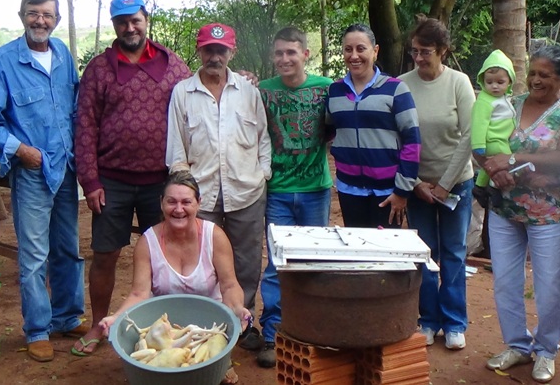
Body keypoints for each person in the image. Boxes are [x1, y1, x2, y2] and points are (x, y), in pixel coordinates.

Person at [0, 0, 87, 362]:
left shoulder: (64, 55)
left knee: (68, 248)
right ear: (22, 16)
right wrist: (21, 151)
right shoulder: (3, 62)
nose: (41, 21)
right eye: (34, 14)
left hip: (65, 170)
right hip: (33, 171)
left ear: (57, 20)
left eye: (48, 15)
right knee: (35, 256)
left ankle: (67, 317)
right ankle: (38, 329)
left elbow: (76, 108)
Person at [73, 0, 192, 356]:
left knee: (168, 254)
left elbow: (196, 98)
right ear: (114, 26)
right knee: (106, 254)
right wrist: (90, 181)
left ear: (146, 19)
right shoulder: (99, 68)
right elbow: (85, 126)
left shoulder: (173, 65)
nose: (130, 27)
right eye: (122, 21)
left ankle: (164, 326)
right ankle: (99, 324)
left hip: (161, 181)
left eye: (135, 20)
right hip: (112, 181)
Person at [480, 45, 560, 383]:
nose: (536, 80)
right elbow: (486, 141)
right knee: (506, 282)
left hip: (550, 213)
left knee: (550, 285)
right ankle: (517, 344)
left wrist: (512, 160)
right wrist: (493, 170)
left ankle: (546, 350)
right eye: (533, 73)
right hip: (504, 207)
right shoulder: (510, 103)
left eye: (545, 75)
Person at [166, 22, 271, 352]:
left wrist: (263, 173)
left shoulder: (249, 92)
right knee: (204, 262)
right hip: (203, 193)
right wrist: (186, 190)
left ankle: (244, 323)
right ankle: (206, 325)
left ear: (231, 52)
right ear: (199, 51)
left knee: (247, 261)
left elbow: (262, 139)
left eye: (221, 50)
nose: (215, 56)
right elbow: (176, 148)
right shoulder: (183, 93)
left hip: (247, 191)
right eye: (209, 50)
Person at [97, 167, 250, 385]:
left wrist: (237, 309)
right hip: (164, 329)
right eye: (172, 202)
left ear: (198, 202)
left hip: (210, 328)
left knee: (211, 373)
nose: (179, 209)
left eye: (186, 202)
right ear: (161, 203)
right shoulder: (147, 242)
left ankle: (220, 363)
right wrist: (116, 317)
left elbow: (229, 285)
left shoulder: (214, 236)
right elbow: (139, 293)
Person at [256, 27, 333, 368]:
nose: (285, 59)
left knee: (315, 261)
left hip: (316, 188)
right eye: (279, 53)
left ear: (305, 54)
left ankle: (314, 328)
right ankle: (273, 333)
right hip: (278, 191)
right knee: (276, 263)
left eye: (291, 52)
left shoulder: (326, 89)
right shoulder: (262, 91)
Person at [398, 16, 476, 351]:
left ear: (442, 50)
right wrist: (415, 183)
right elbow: (397, 138)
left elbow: (470, 136)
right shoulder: (401, 84)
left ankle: (455, 321)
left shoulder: (459, 83)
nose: (419, 57)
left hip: (456, 183)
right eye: (414, 51)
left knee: (454, 253)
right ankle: (427, 319)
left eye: (426, 51)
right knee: (423, 253)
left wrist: (445, 184)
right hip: (417, 185)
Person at [326, 23, 421, 229]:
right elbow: (331, 130)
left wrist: (402, 191)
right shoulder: (334, 91)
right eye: (348, 49)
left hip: (388, 192)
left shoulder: (396, 90)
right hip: (349, 190)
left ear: (375, 51)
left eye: (361, 49)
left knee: (385, 256)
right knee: (357, 254)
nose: (354, 56)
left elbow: (412, 142)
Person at [471, 49, 517, 208]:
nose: (494, 86)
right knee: (506, 160)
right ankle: (494, 187)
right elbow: (478, 123)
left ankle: (479, 187)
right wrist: (478, 145)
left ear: (510, 81)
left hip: (500, 138)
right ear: (483, 81)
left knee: (490, 164)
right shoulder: (485, 100)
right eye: (489, 82)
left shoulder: (504, 98)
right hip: (493, 140)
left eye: (500, 82)